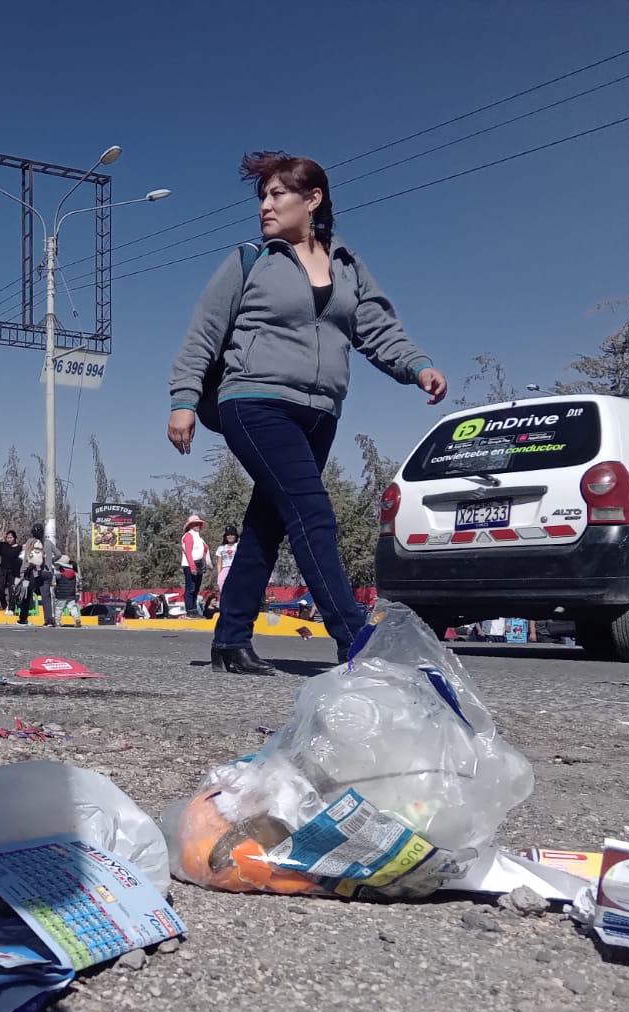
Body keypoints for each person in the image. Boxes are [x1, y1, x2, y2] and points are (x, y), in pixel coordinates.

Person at [167, 150, 447, 673]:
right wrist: (184, 399)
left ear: (312, 199)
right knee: (312, 513)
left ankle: (230, 639)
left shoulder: (346, 264)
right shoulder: (250, 260)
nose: (265, 207)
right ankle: (355, 639)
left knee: (266, 527)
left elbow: (378, 330)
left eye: (277, 195)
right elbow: (204, 332)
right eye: (263, 197)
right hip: (253, 402)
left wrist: (417, 366)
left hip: (320, 413)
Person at [17, 523, 55, 627]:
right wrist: (50, 563)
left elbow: (26, 558)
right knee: (46, 597)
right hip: (47, 573)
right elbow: (59, 554)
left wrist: (22, 572)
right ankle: (48, 620)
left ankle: (23, 618)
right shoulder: (48, 543)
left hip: (34, 572)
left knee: (27, 594)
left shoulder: (30, 542)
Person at [181, 515, 209, 619]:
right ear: (190, 525)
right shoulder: (188, 536)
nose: (198, 525)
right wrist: (192, 566)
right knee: (190, 588)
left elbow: (203, 551)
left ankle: (194, 610)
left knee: (196, 589)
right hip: (190, 564)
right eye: (195, 524)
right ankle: (190, 611)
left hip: (199, 563)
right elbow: (188, 552)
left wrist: (204, 564)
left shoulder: (199, 538)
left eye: (199, 524)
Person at [0, 529, 21, 611]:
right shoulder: (4, 546)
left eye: (11, 537)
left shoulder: (19, 548)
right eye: (8, 538)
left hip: (13, 571)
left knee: (12, 591)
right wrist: (1, 538)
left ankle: (11, 608)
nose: (9, 539)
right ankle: (4, 605)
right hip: (3, 570)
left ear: (15, 538)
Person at [53, 554, 81, 627]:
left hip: (61, 594)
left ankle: (57, 622)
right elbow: (78, 584)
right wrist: (77, 593)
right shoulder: (74, 573)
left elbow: (54, 582)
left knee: (59, 608)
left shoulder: (59, 573)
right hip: (71, 594)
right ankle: (77, 619)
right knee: (72, 607)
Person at [215, 526, 239, 595]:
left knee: (236, 590)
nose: (230, 536)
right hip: (225, 569)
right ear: (225, 536)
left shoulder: (239, 546)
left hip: (236, 569)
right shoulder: (221, 548)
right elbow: (219, 563)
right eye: (228, 534)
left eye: (232, 534)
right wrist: (219, 575)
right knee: (223, 589)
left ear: (235, 536)